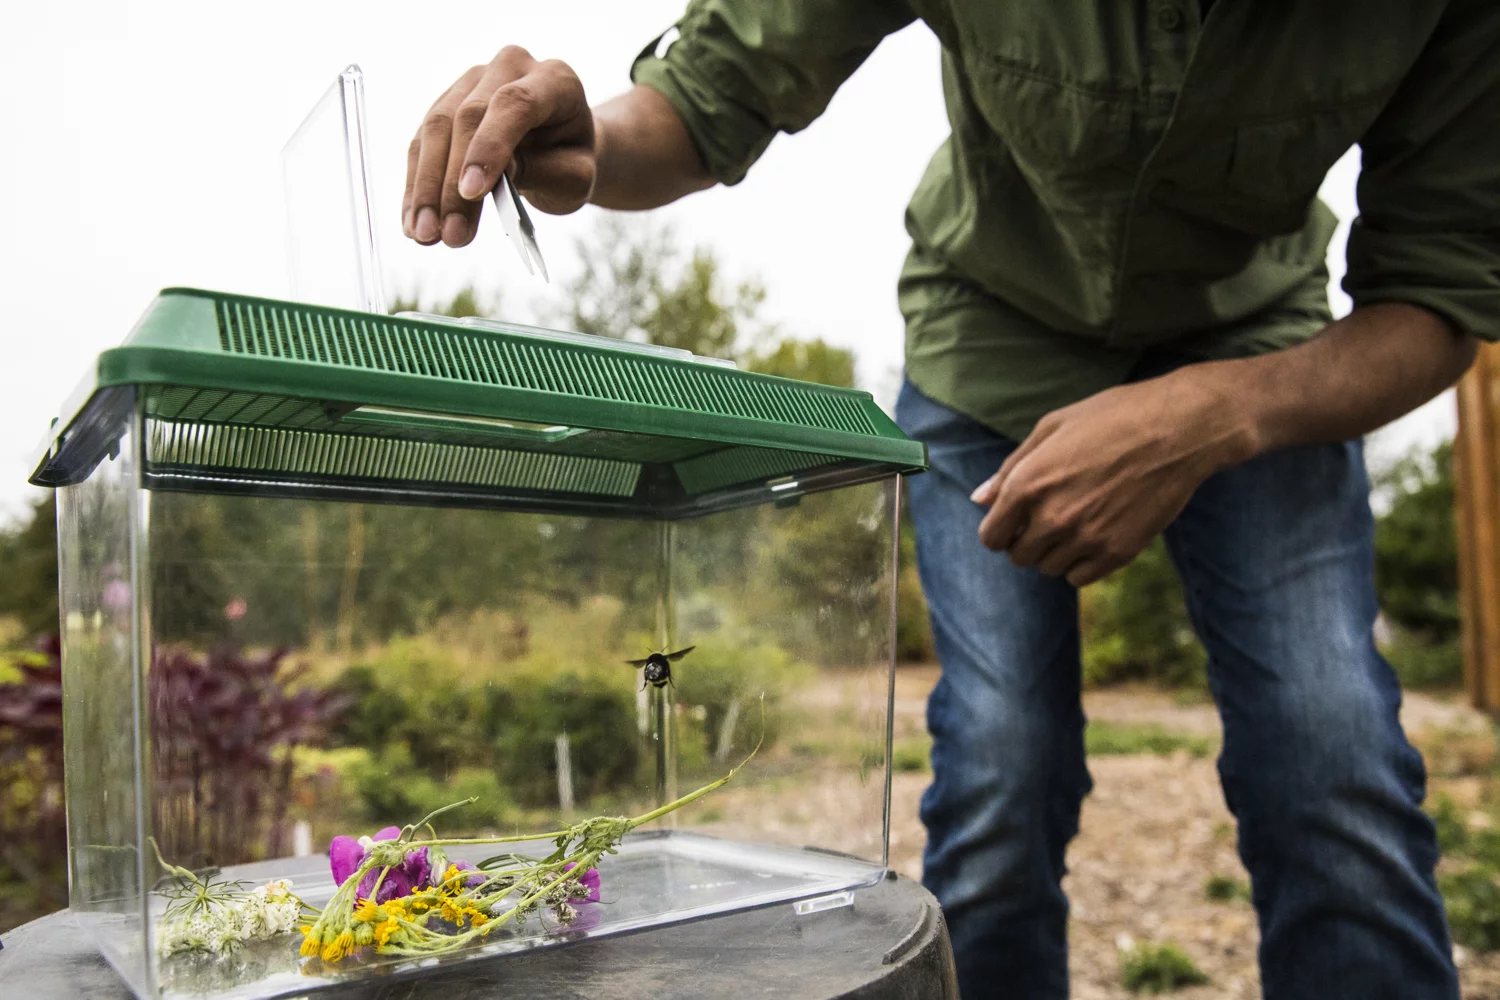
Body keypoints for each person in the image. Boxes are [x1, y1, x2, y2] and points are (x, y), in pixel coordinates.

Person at [402, 4, 1499, 997]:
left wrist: (1220, 414)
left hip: (1260, 354)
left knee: (1331, 751)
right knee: (999, 764)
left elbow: (1439, 295)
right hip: (989, 348)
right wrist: (586, 140)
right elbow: (699, 104)